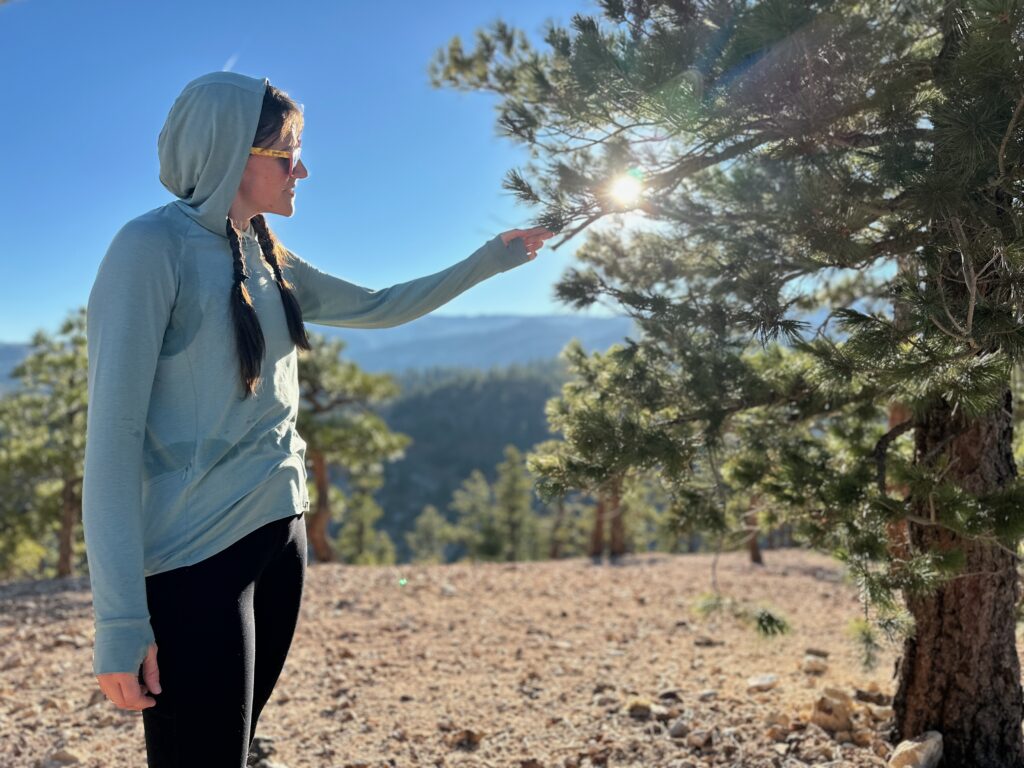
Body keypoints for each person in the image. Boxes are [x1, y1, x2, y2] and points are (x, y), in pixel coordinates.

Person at [81, 70, 553, 767]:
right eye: (286, 152)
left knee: (229, 750)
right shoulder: (149, 251)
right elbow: (111, 444)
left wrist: (493, 257)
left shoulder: (266, 250)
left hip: (280, 542)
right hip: (194, 564)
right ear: (231, 154)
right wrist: (120, 620)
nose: (302, 168)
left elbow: (382, 305)